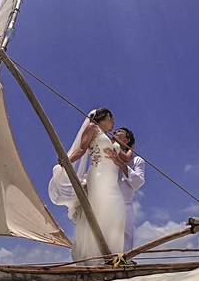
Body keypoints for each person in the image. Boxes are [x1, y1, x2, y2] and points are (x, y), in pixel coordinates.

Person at [48, 108, 126, 262]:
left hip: (111, 180)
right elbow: (82, 149)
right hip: (98, 177)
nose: (114, 123)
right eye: (112, 119)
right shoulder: (92, 128)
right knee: (98, 213)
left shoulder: (107, 137)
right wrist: (67, 160)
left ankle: (113, 253)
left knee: (117, 211)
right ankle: (93, 257)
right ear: (106, 117)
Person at [112, 127, 145, 250]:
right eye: (114, 132)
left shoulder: (137, 160)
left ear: (127, 139)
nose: (115, 133)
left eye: (119, 131)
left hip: (125, 206)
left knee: (123, 241)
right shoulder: (107, 155)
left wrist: (120, 164)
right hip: (105, 202)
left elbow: (138, 182)